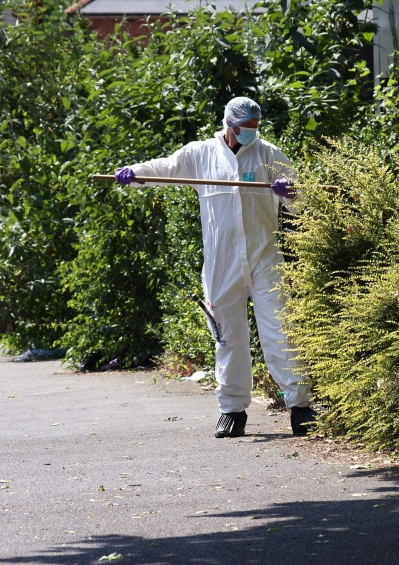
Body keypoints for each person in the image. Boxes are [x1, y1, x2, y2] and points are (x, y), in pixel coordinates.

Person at [115, 97, 316, 439]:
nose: (252, 133)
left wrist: (292, 192)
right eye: (247, 128)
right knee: (227, 336)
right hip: (222, 262)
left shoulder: (268, 154)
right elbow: (166, 169)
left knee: (280, 331)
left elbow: (303, 199)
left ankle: (301, 407)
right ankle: (232, 410)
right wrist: (135, 174)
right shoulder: (200, 154)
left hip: (264, 256)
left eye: (256, 127)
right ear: (230, 125)